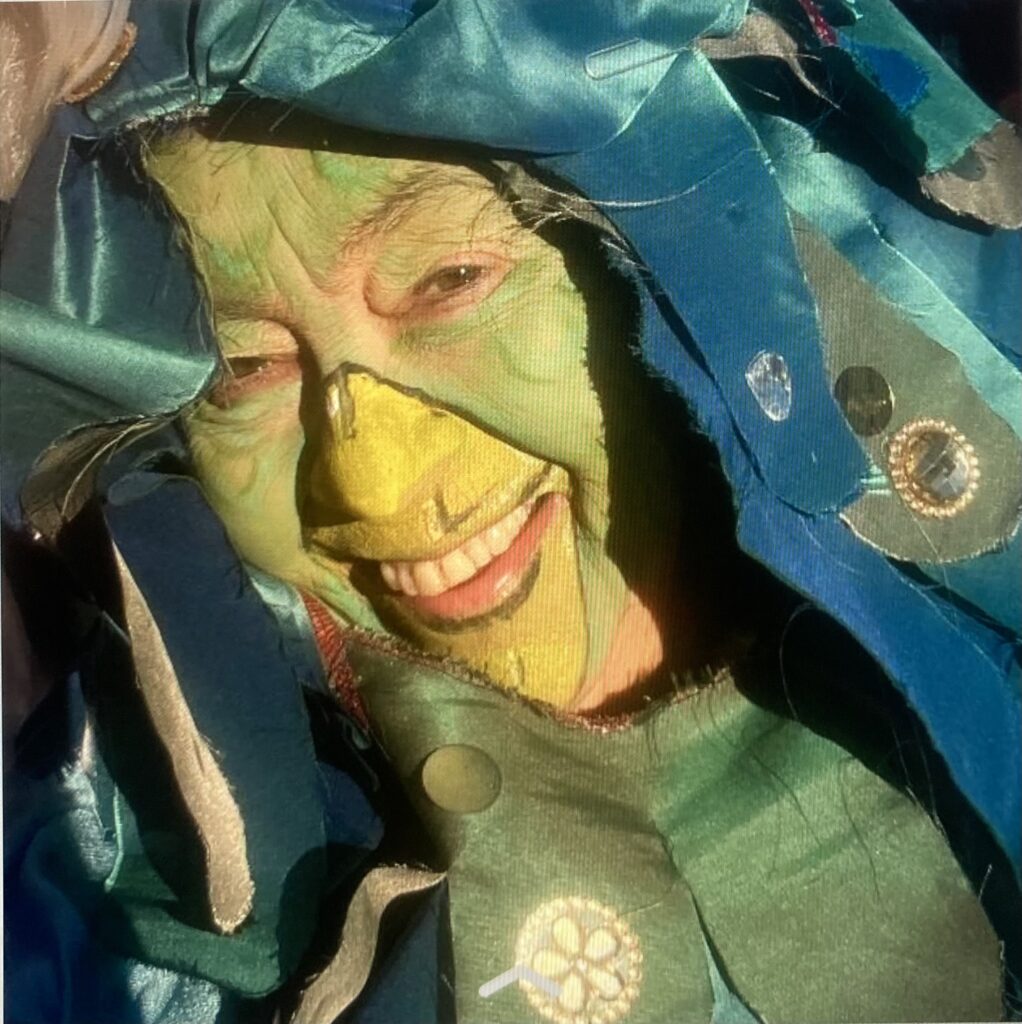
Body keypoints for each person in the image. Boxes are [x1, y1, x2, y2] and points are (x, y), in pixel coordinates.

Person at [3, 2, 1020, 1023]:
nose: (373, 487)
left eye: (450, 279)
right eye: (243, 371)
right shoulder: (106, 893)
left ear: (653, 256)